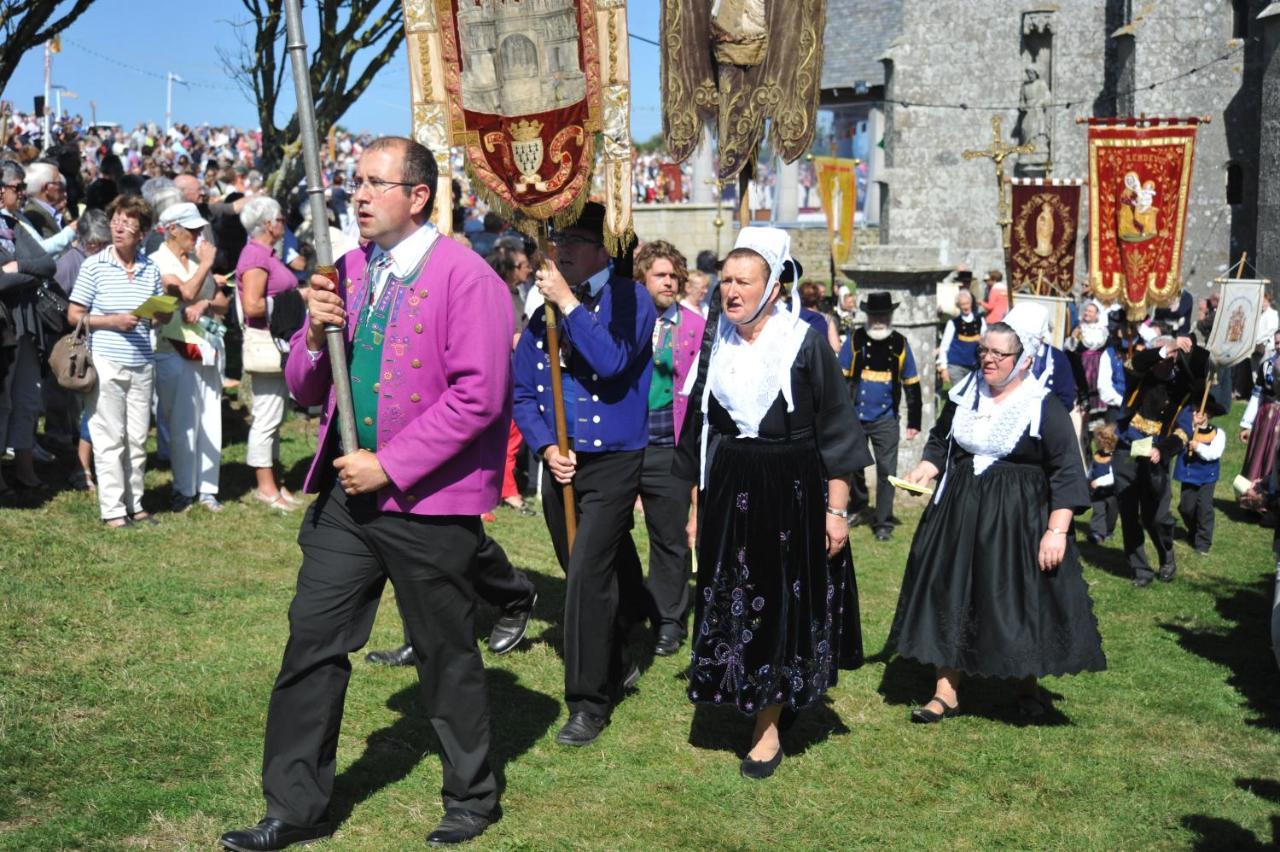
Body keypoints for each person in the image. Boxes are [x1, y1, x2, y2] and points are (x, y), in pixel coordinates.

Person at [218, 137, 511, 851]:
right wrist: (316, 337)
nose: (359, 195)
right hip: (347, 506)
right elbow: (302, 385)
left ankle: (472, 797)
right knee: (312, 642)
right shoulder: (345, 269)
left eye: (377, 184)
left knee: (445, 654)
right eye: (357, 182)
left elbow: (480, 396)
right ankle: (294, 806)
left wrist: (393, 463)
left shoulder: (469, 278)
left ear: (417, 197)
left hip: (429, 504)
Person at [674, 226, 866, 778]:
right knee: (735, 592)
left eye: (744, 281)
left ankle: (767, 725)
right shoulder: (717, 341)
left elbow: (837, 432)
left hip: (793, 486)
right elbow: (701, 432)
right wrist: (696, 508)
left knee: (780, 599)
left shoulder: (803, 342)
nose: (731, 291)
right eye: (725, 280)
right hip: (732, 482)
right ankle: (750, 688)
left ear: (774, 287)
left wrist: (835, 509)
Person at [889, 310, 1106, 722]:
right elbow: (941, 441)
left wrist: (1057, 531)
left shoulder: (1041, 406)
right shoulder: (966, 393)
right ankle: (945, 691)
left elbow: (1066, 471)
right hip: (958, 511)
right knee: (950, 592)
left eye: (999, 354)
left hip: (1017, 520)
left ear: (1023, 360)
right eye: (983, 350)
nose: (988, 359)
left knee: (1015, 600)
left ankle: (1025, 683)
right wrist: (927, 468)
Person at [512, 201, 657, 747]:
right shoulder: (540, 311)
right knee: (593, 566)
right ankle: (623, 644)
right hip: (564, 465)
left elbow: (613, 360)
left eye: (574, 240)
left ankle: (587, 702)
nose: (561, 249)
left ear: (603, 250)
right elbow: (523, 390)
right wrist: (546, 445)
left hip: (616, 461)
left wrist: (569, 303)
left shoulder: (630, 299)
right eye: (559, 239)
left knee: (586, 578)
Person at [68, 194, 171, 528]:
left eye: (127, 222)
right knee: (109, 435)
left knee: (138, 438)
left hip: (142, 360)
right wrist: (112, 321)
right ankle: (113, 509)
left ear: (142, 233)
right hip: (107, 360)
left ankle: (135, 502)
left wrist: (160, 316)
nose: (119, 227)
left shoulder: (150, 268)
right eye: (116, 220)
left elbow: (158, 319)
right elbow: (75, 315)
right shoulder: (93, 266)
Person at [629, 240, 705, 657]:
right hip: (627, 445)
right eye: (661, 275)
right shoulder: (626, 321)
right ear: (642, 278)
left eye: (675, 275)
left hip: (670, 449)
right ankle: (627, 607)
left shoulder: (695, 327)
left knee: (670, 539)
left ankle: (668, 622)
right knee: (610, 533)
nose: (670, 282)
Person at [1111, 324, 1211, 586]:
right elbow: (1135, 362)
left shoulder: (1182, 390)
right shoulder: (1140, 375)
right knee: (1129, 512)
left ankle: (1166, 554)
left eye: (1171, 359)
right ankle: (1140, 570)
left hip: (1156, 454)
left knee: (1156, 516)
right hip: (1128, 448)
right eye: (1162, 357)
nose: (1164, 364)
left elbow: (1184, 432)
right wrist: (1167, 347)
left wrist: (1163, 450)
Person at [151, 202, 227, 512]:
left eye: (199, 230)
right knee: (183, 423)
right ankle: (183, 489)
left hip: (208, 346)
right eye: (192, 230)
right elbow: (182, 292)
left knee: (212, 419)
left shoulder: (197, 258)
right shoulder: (158, 259)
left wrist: (207, 305)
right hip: (174, 349)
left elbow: (220, 302)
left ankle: (208, 489)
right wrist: (207, 265)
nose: (198, 236)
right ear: (172, 230)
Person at [838, 291, 923, 541]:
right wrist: (841, 416)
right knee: (852, 466)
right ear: (867, 315)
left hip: (886, 419)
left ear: (890, 315)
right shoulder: (854, 340)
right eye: (874, 315)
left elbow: (912, 382)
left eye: (883, 314)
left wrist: (914, 422)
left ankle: (883, 520)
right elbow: (841, 379)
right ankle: (859, 504)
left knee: (887, 471)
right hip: (855, 416)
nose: (878, 319)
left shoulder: (900, 343)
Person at [235, 196, 302, 511]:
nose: (283, 223)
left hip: (278, 341)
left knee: (274, 415)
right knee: (267, 416)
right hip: (267, 342)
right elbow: (253, 305)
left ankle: (273, 480)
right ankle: (265, 487)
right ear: (269, 224)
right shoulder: (255, 257)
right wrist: (296, 300)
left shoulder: (264, 254)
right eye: (280, 218)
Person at [0, 161, 57, 502]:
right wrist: (25, 275)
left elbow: (47, 265)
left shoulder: (17, 225)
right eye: (17, 188)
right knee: (1, 400)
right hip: (4, 326)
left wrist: (19, 266)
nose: (23, 193)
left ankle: (24, 469)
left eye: (22, 188)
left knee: (26, 399)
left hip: (27, 325)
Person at [487, 244, 534, 514]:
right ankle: (508, 491)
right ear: (510, 269)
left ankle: (506, 489)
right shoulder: (500, 294)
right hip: (507, 373)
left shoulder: (515, 293)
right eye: (522, 265)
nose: (528, 268)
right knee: (510, 434)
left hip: (513, 370)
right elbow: (513, 337)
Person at [1174, 409, 1225, 554]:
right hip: (1189, 474)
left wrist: (1199, 447)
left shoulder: (1217, 433)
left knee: (1204, 508)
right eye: (1195, 410)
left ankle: (1203, 542)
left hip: (1207, 476)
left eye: (1202, 410)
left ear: (1209, 413)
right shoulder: (1186, 430)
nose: (1198, 413)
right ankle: (1194, 530)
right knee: (1186, 508)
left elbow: (1215, 453)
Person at [1238, 329, 1280, 500]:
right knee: (1260, 453)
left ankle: (1272, 500)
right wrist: (1247, 425)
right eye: (1277, 342)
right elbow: (1257, 395)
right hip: (1266, 416)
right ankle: (1252, 498)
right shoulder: (1267, 365)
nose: (1279, 346)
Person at [938, 289, 984, 389]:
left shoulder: (980, 320)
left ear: (971, 303)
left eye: (967, 303)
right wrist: (944, 368)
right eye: (962, 304)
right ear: (958, 305)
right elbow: (944, 346)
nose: (965, 307)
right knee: (959, 394)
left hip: (975, 364)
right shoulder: (953, 323)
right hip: (956, 365)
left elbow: (986, 341)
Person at [1087, 423, 1119, 545]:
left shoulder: (1114, 458)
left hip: (1111, 492)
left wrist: (1099, 481)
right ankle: (1097, 533)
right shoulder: (1097, 455)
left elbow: (1113, 476)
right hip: (1097, 492)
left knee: (1112, 513)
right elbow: (1091, 469)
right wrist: (1087, 479)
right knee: (1098, 511)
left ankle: (1108, 531)